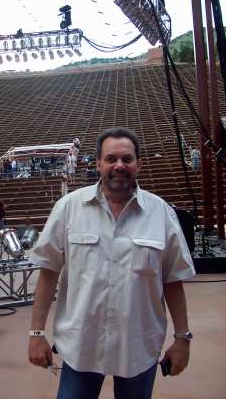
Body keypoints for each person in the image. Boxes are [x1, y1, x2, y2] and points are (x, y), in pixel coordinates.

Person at [28, 127, 195, 399]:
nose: (119, 165)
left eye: (127, 159)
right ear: (98, 163)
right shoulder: (68, 208)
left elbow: (172, 280)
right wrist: (36, 333)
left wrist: (182, 339)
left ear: (138, 164)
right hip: (80, 345)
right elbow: (48, 274)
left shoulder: (161, 213)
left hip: (138, 347)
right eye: (111, 159)